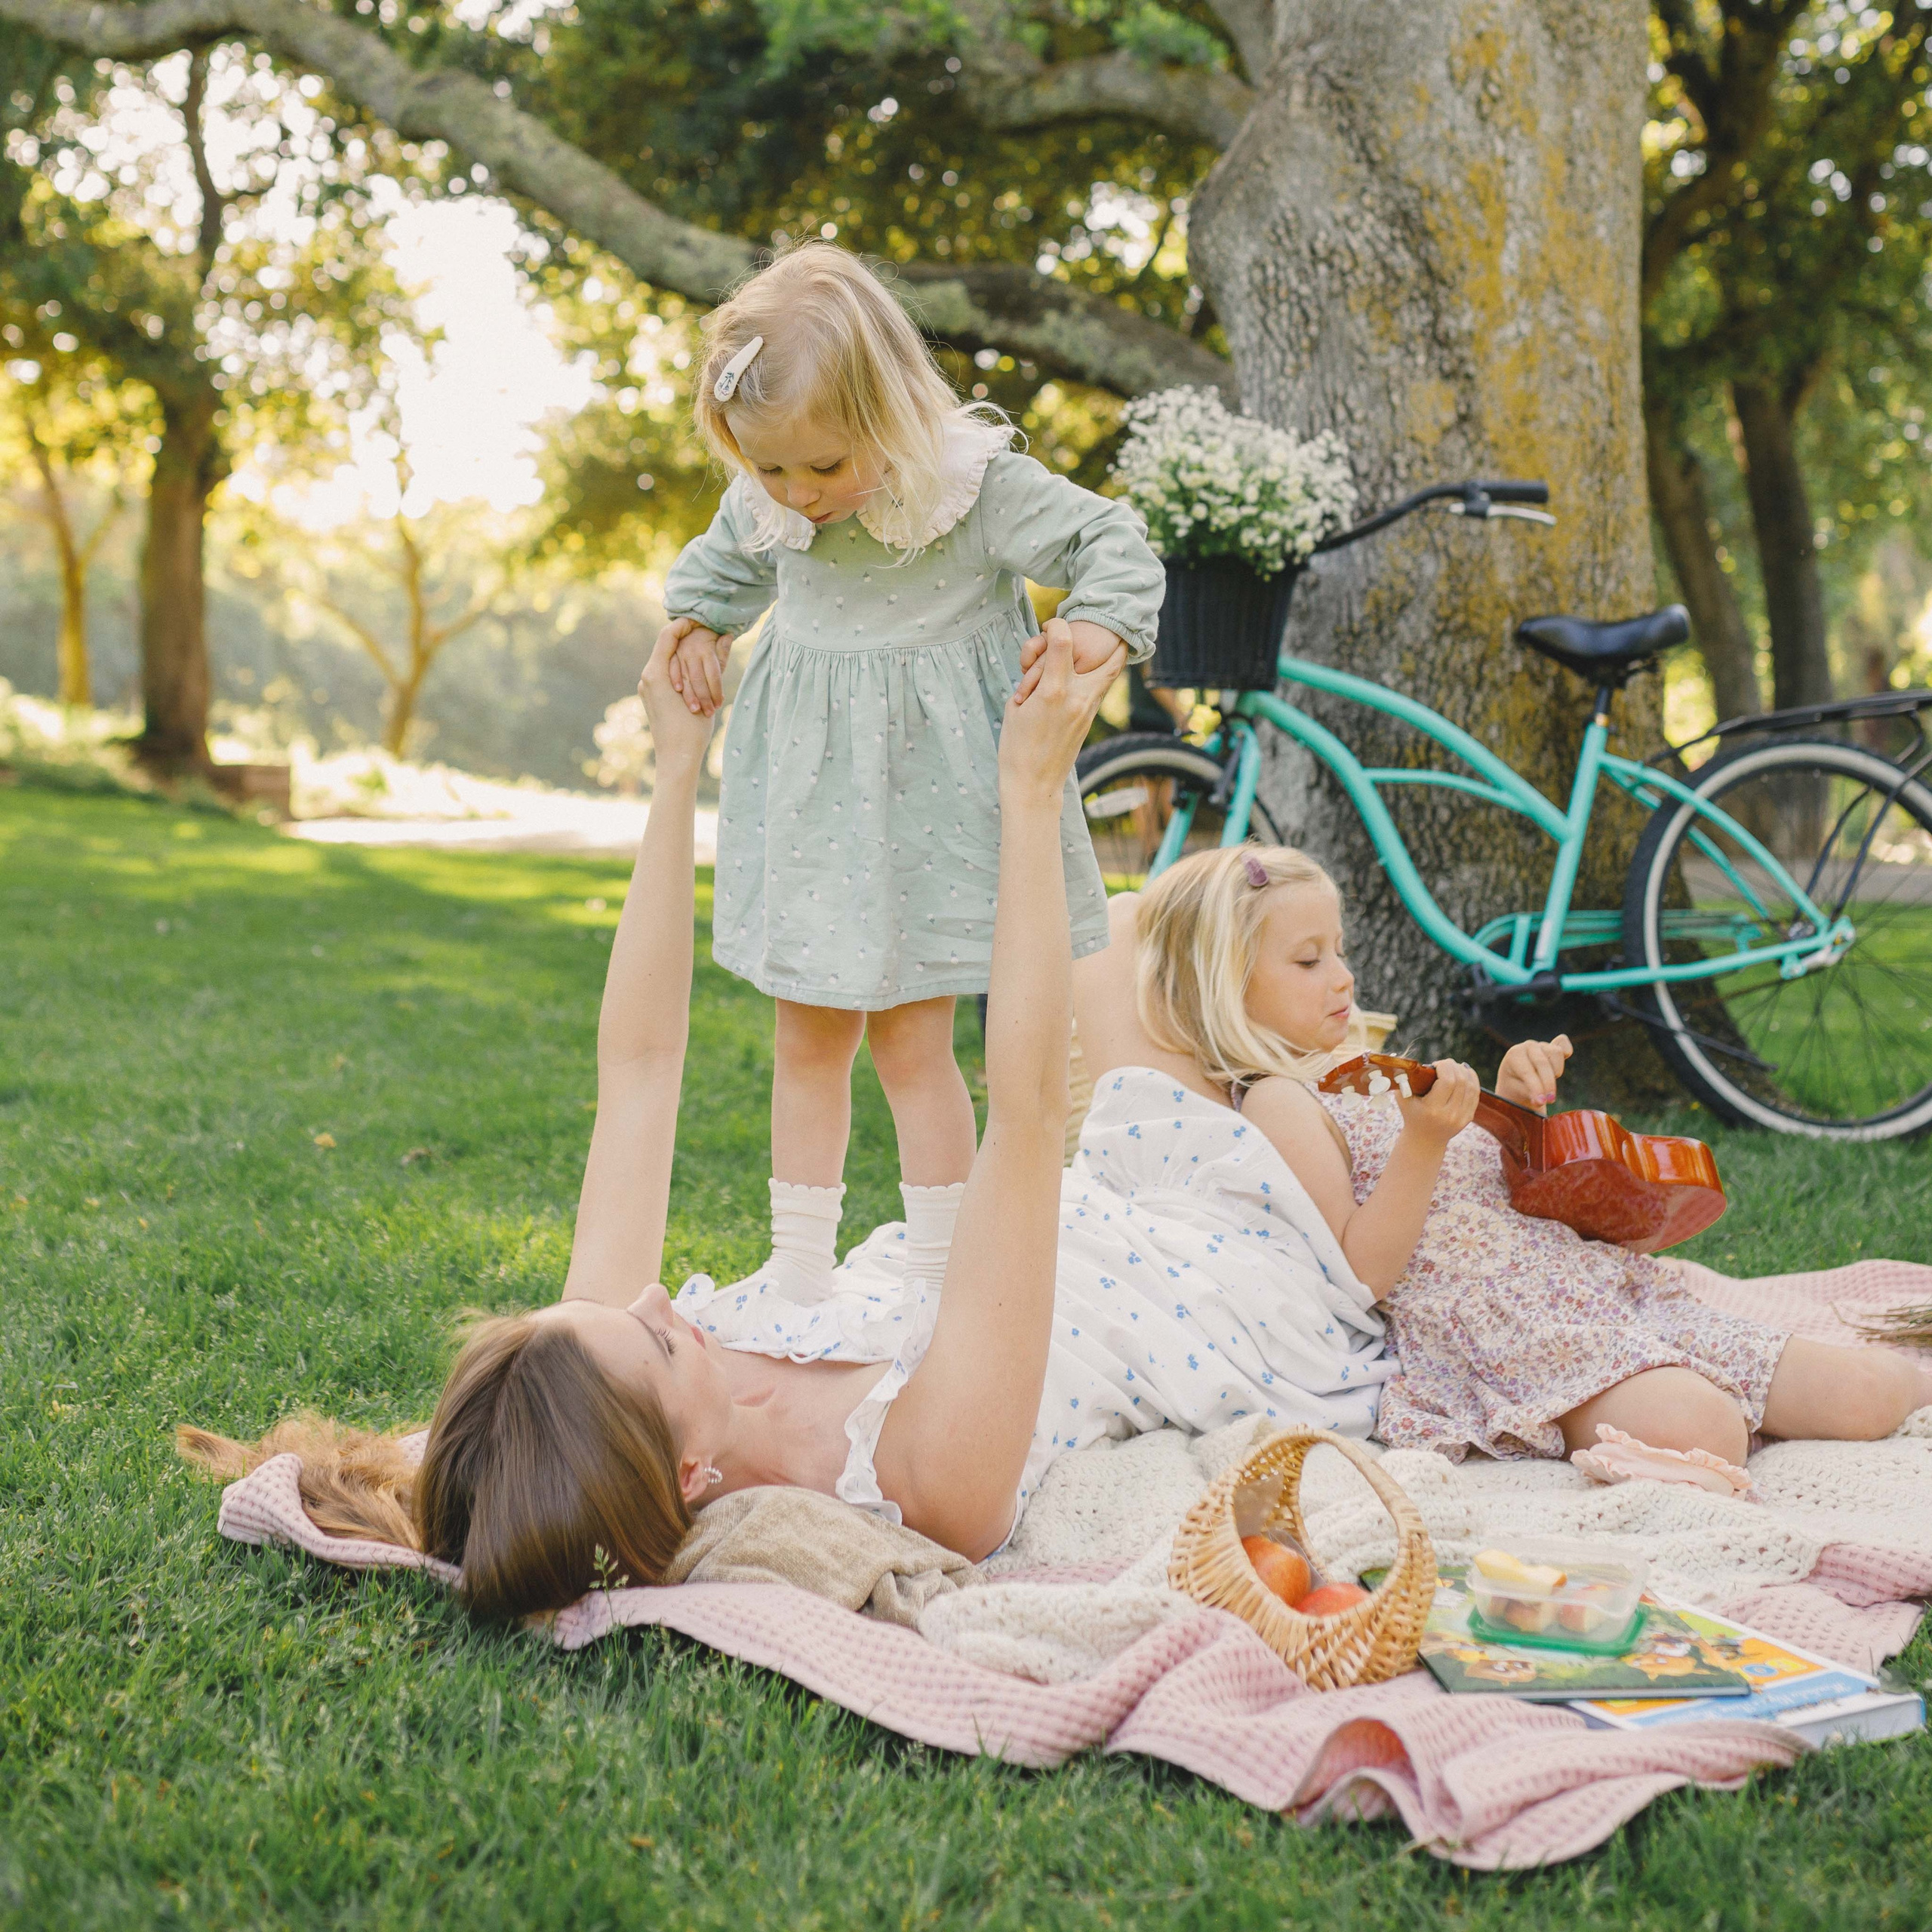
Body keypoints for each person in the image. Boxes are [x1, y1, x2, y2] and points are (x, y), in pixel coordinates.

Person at [181, 624, 1392, 1618]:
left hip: (1081, 1208)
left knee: (1168, 948)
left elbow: (642, 1065)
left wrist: (674, 767)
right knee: (1181, 977)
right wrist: (1031, 793)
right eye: (657, 1342)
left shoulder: (606, 1373)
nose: (657, 1300)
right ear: (696, 1475)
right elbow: (1021, 1112)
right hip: (1190, 1283)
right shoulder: (929, 1481)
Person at [654, 241, 1164, 1305]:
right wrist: (699, 626)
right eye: (771, 468)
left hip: (933, 810)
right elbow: (713, 575)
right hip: (813, 806)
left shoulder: (969, 491)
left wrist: (1095, 630)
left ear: (889, 414)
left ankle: (941, 1277)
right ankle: (799, 1269)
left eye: (824, 467)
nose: (798, 492)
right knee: (805, 1036)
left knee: (914, 1042)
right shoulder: (772, 500)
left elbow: (1112, 543)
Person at [1081, 842, 1932, 1469]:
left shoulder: (1371, 1070)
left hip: (1582, 1281)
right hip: (1504, 1330)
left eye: (1339, 950)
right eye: (1308, 959)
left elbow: (1487, 1182)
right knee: (1706, 1428)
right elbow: (1363, 1267)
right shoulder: (1277, 1099)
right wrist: (1423, 1139)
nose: (1342, 976)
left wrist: (1514, 1106)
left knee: (1863, 1393)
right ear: (1228, 985)